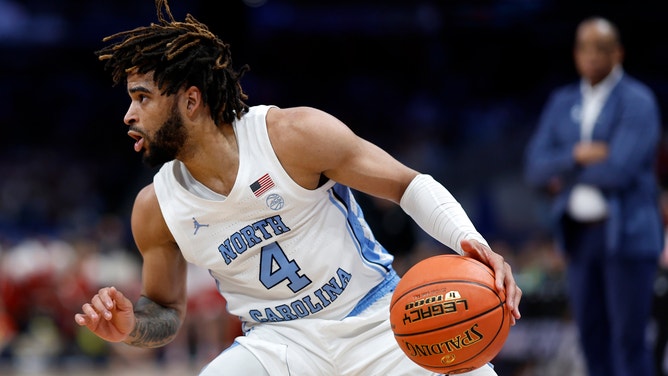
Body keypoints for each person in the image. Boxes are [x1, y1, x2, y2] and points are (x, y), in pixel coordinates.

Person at [74, 1, 522, 375]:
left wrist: (474, 244)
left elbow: (408, 185)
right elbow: (166, 311)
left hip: (377, 319)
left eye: (142, 97)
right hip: (280, 347)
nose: (128, 115)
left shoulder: (291, 136)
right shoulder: (155, 207)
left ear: (191, 101)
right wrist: (133, 326)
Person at [524, 16, 663, 376]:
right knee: (590, 339)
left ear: (617, 53)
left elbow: (620, 169)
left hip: (627, 236)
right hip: (579, 235)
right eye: (585, 48)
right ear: (575, 53)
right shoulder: (562, 101)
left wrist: (564, 175)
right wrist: (577, 154)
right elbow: (535, 166)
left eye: (601, 48)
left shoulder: (638, 101)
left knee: (629, 340)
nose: (592, 56)